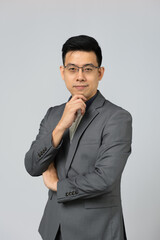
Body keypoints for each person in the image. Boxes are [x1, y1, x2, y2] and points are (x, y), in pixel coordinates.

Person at [24, 35, 132, 240]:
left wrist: (57, 185)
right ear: (62, 72)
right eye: (72, 69)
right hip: (53, 229)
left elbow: (105, 179)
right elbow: (32, 166)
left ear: (100, 73)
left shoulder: (117, 118)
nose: (80, 76)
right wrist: (60, 127)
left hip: (96, 231)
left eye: (88, 69)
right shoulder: (53, 115)